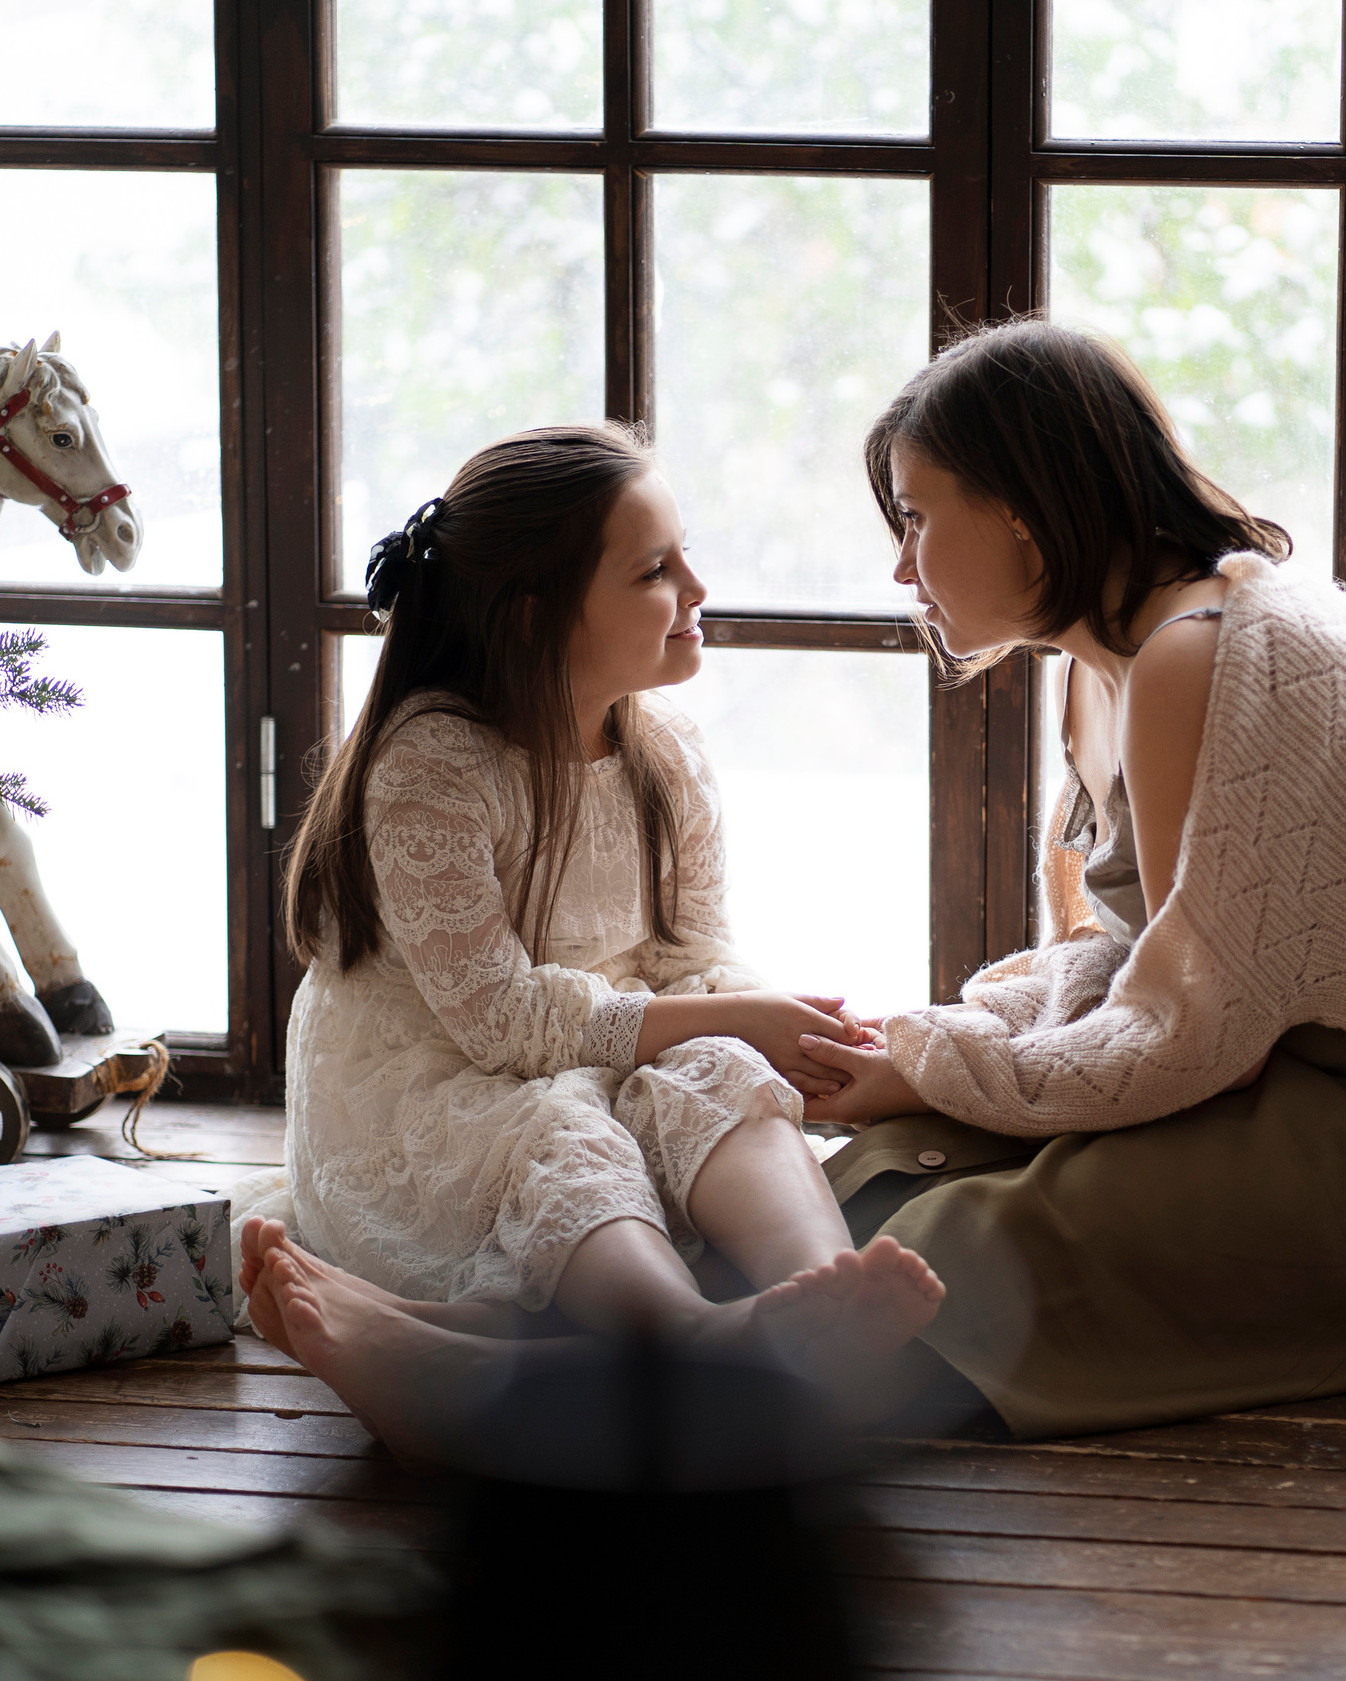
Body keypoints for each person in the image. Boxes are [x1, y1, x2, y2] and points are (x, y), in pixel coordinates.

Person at [796, 320, 1346, 1439]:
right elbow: (1135, 955)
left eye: (913, 517)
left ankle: (621, 1408)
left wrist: (939, 1064)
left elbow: (1190, 1024)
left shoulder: (1200, 649)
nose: (900, 567)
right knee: (883, 1177)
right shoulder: (1103, 666)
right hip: (1275, 1071)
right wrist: (933, 1044)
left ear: (1018, 506)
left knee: (940, 1263)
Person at [238, 424, 942, 1460]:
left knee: (720, 1063)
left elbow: (691, 956)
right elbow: (500, 1022)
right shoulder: (433, 763)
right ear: (538, 617)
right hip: (437, 1085)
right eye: (655, 570)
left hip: (600, 1052)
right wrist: (731, 1011)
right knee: (562, 1132)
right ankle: (697, 1335)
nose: (697, 587)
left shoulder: (668, 753)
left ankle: (820, 1297)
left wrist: (769, 1025)